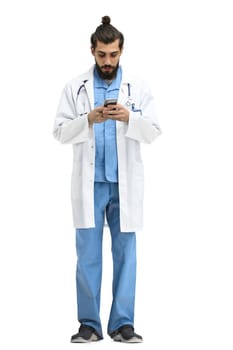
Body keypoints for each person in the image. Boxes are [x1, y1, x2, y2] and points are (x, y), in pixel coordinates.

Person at [53, 15, 161, 343]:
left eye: (113, 55)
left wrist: (130, 117)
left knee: (126, 254)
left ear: (121, 51)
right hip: (90, 185)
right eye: (102, 55)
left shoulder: (137, 87)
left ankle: (122, 324)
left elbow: (154, 131)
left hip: (124, 184)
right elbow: (59, 131)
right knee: (87, 255)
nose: (108, 62)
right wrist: (88, 118)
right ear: (92, 51)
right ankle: (89, 324)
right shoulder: (76, 87)